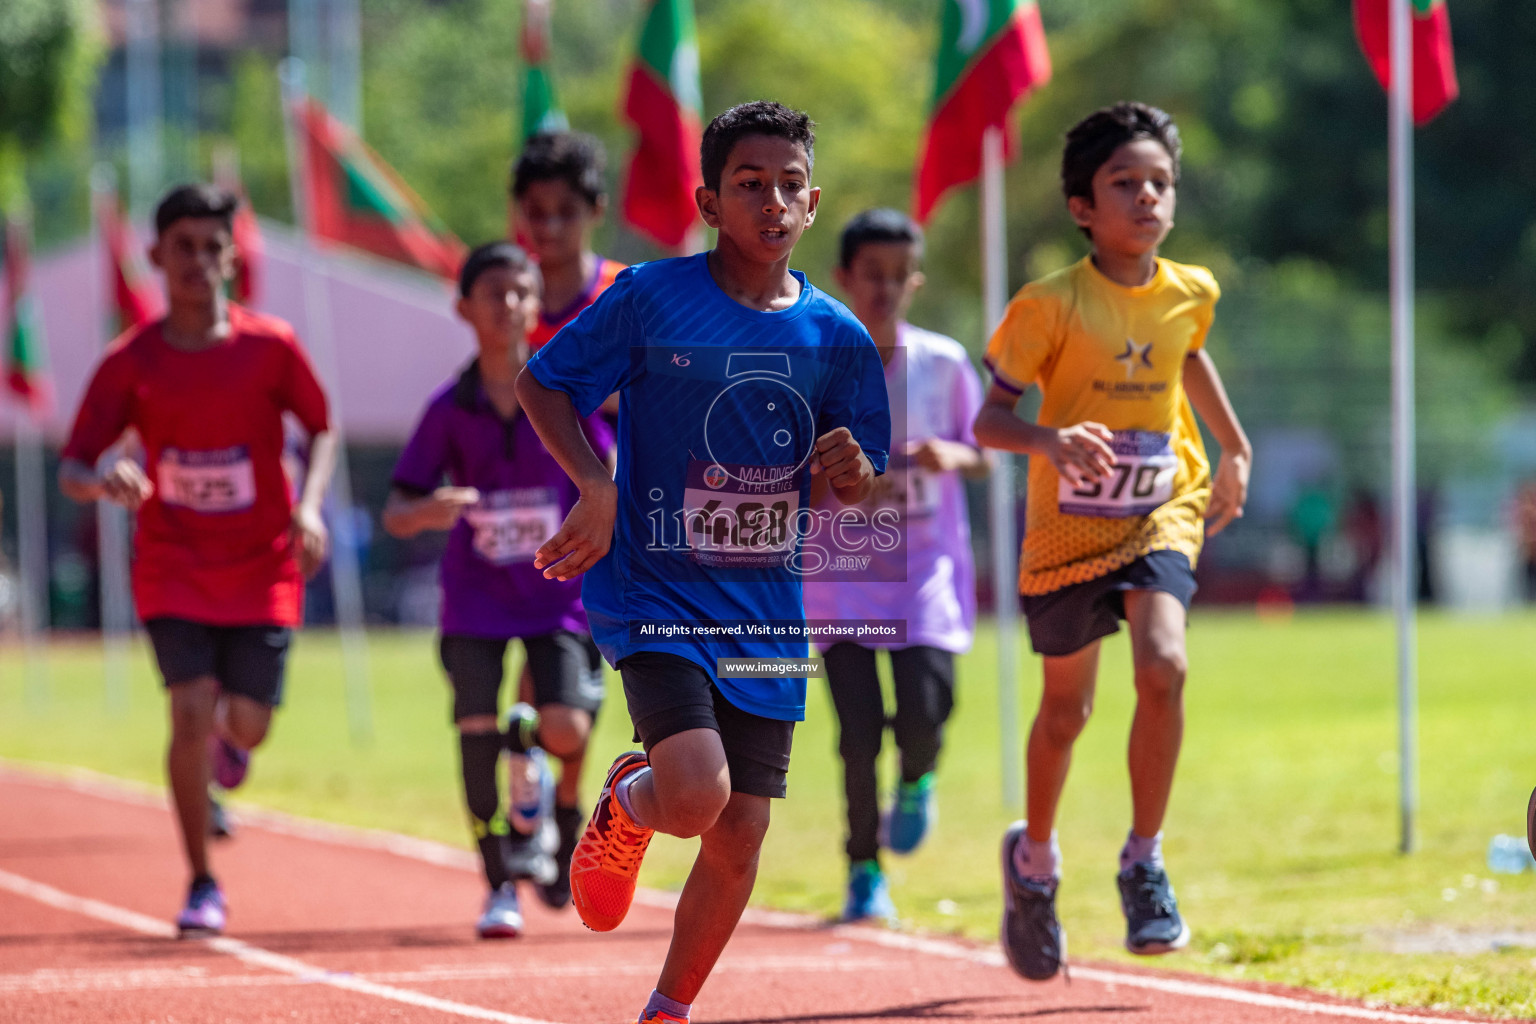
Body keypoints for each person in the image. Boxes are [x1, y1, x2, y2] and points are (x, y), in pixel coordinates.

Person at [516, 101, 889, 1024]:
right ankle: (631, 804)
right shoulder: (650, 297)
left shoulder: (837, 336)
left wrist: (854, 471)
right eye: (750, 185)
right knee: (693, 796)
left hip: (765, 610)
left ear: (812, 204)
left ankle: (667, 1010)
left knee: (742, 833)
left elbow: (864, 482)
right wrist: (597, 487)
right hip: (655, 588)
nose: (772, 202)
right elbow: (544, 382)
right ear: (709, 202)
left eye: (789, 187)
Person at [973, 102, 1251, 981]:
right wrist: (1051, 441)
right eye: (1124, 184)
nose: (1146, 198)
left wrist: (1234, 446)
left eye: (1159, 183)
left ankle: (1144, 860)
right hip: (1067, 527)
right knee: (1067, 713)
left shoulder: (1191, 290)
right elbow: (988, 420)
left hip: (1162, 506)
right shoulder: (1048, 305)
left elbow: (1186, 355)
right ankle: (1037, 862)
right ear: (1083, 208)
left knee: (1164, 663)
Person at [58, 183, 335, 937]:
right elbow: (74, 463)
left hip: (263, 564)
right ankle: (200, 882)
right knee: (185, 710)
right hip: (172, 562)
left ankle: (227, 743)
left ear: (231, 258)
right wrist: (101, 479)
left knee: (246, 726)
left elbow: (323, 427)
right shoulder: (131, 361)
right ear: (155, 256)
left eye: (212, 247)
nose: (197, 261)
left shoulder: (270, 346)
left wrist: (310, 504)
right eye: (182, 246)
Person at [381, 242, 613, 938]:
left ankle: (560, 815)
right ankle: (498, 885)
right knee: (478, 733)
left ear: (536, 307)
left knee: (566, 725)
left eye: (520, 292)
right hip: (476, 600)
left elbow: (611, 476)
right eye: (493, 293)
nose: (508, 305)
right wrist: (427, 511)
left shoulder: (568, 396)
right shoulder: (449, 408)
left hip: (558, 595)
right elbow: (396, 509)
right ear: (465, 307)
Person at [801, 208, 988, 923]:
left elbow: (983, 451)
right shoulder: (817, 364)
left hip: (924, 574)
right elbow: (789, 473)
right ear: (845, 278)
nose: (882, 290)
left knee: (927, 710)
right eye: (868, 276)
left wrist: (952, 455)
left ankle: (917, 778)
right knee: (856, 732)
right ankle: (863, 869)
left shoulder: (942, 364)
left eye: (895, 277)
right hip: (841, 574)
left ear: (915, 281)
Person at [508, 131, 625, 353]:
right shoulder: (505, 297)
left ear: (597, 210)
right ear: (519, 213)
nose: (551, 227)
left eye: (567, 211)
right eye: (536, 212)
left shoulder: (627, 295)